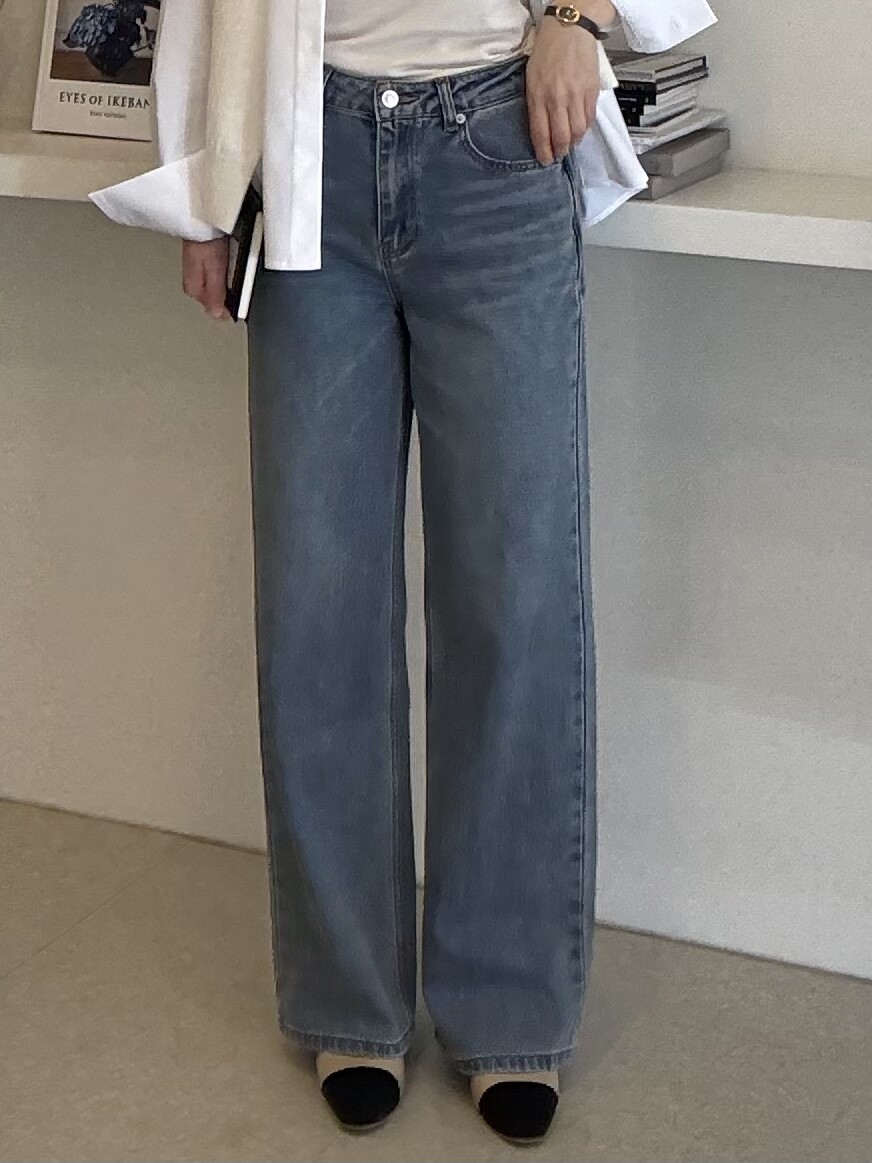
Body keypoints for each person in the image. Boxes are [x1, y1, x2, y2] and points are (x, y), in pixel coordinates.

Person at [91, 0, 717, 1144]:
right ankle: (349, 1001)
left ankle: (509, 1009)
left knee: (513, 599)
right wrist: (202, 188)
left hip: (497, 138)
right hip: (302, 153)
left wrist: (578, 18)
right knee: (317, 601)